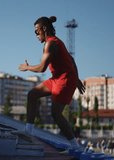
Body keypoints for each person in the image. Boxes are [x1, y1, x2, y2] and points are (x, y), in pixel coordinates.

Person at [18, 16, 85, 150]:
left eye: (37, 31)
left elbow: (42, 68)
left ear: (44, 29)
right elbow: (71, 59)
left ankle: (75, 146)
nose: (36, 35)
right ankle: (28, 131)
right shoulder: (53, 42)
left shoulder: (51, 43)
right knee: (32, 94)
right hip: (57, 78)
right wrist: (77, 78)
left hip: (65, 80)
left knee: (55, 114)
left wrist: (27, 67)